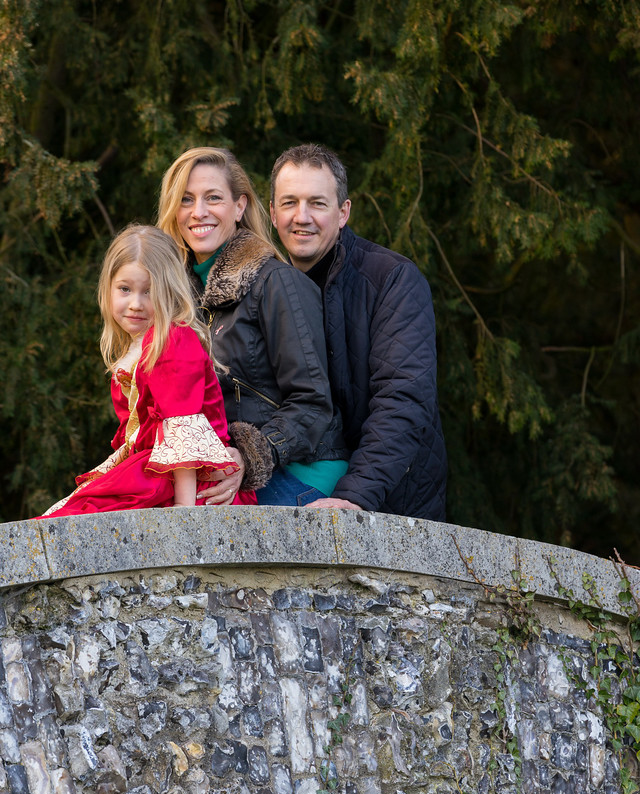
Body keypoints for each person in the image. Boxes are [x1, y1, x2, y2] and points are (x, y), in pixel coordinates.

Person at [157, 147, 349, 507]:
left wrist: (248, 456)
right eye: (186, 200)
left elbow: (312, 404)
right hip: (226, 470)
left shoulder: (276, 282)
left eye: (213, 198)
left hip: (300, 470)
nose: (199, 212)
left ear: (240, 206)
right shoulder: (178, 299)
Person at [270, 143, 447, 521]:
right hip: (304, 483)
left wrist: (356, 495)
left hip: (388, 502)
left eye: (317, 203)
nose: (302, 217)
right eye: (289, 203)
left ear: (343, 212)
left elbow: (402, 399)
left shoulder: (391, 280)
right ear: (272, 213)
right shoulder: (266, 289)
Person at [40, 225, 256, 518]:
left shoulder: (170, 339)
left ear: (170, 292)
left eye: (149, 291)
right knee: (79, 507)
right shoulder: (134, 348)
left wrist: (185, 511)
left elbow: (183, 429)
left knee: (84, 512)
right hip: (157, 466)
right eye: (125, 289)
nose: (136, 304)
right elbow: (136, 431)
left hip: (189, 481)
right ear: (108, 288)